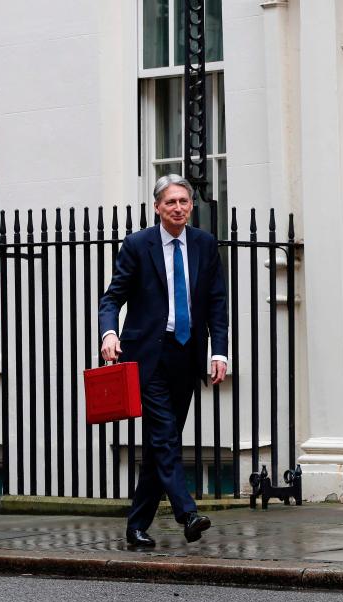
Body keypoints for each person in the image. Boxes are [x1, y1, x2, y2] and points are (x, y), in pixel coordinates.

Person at [98, 174, 228, 548]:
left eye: (184, 202)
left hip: (186, 355)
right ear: (157, 207)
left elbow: (217, 302)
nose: (178, 208)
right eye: (170, 202)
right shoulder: (139, 245)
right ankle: (187, 513)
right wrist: (110, 334)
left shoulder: (203, 244)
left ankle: (136, 526)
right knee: (165, 437)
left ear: (191, 206)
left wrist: (218, 351)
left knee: (161, 444)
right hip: (148, 356)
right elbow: (112, 298)